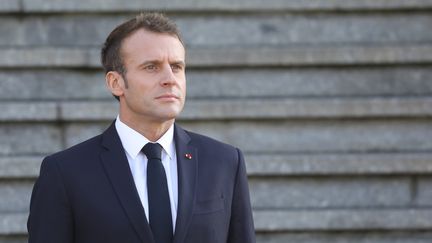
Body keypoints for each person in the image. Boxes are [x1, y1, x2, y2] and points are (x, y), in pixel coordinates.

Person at [27, 12, 256, 243]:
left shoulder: (225, 162)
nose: (170, 79)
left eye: (177, 67)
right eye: (151, 67)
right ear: (115, 83)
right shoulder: (65, 173)